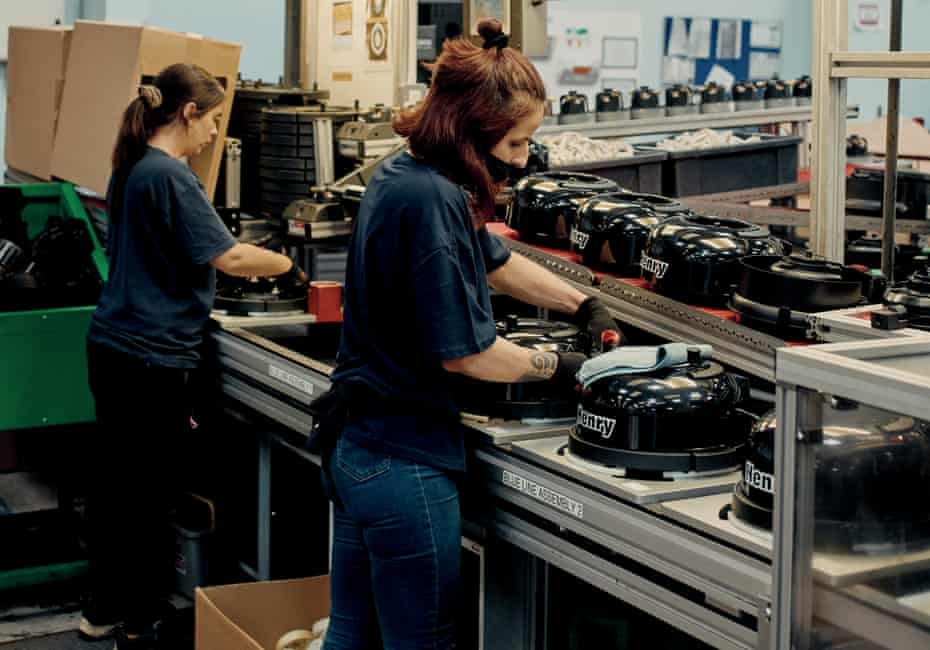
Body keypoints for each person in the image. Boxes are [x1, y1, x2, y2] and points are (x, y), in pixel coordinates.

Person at [322, 19, 621, 650]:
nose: (522, 159)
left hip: (358, 448)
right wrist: (560, 367)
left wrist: (584, 305)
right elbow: (468, 355)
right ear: (470, 133)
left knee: (351, 636)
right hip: (405, 466)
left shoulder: (407, 175)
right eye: (515, 143)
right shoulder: (430, 200)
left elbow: (494, 261)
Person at [80, 63, 305, 650]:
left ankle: (103, 610)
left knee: (118, 489)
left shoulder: (131, 166)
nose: (213, 133)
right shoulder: (171, 176)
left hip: (113, 346)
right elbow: (231, 258)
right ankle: (141, 626)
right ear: (187, 113)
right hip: (151, 357)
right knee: (150, 498)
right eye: (212, 119)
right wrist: (290, 263)